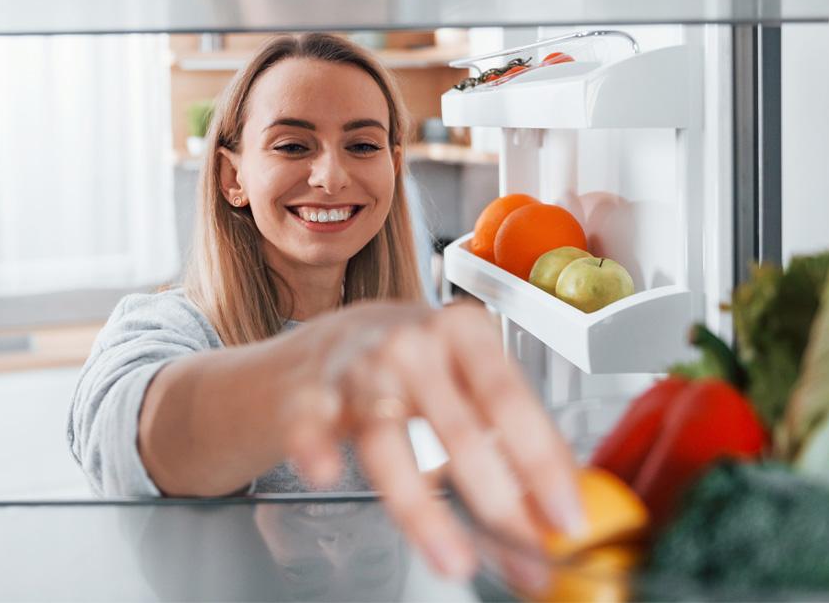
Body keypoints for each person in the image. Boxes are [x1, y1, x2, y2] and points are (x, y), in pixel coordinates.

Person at [67, 33, 582, 580]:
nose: (332, 178)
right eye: (292, 146)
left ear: (393, 166)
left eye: (362, 146)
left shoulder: (381, 349)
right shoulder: (164, 325)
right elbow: (128, 436)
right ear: (232, 176)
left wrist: (444, 497)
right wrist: (317, 364)